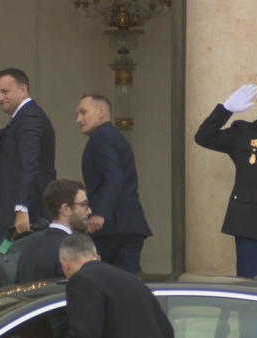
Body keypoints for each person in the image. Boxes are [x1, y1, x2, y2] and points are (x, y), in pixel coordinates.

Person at [195, 71, 257, 279]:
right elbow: (204, 137)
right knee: (251, 290)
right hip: (250, 227)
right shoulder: (243, 132)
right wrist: (225, 110)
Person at [0, 68, 57, 289]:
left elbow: (30, 164)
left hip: (26, 218)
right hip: (14, 216)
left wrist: (22, 208)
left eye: (5, 91)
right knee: (2, 273)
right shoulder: (20, 119)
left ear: (23, 89)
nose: (0, 98)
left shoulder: (30, 117)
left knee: (11, 278)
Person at [76, 94, 152, 274]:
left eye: (83, 112)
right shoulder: (113, 136)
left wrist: (101, 213)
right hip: (129, 225)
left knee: (99, 282)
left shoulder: (100, 137)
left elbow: (114, 175)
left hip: (110, 229)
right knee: (127, 287)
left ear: (101, 111)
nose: (78, 119)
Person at [60, 233, 174, 338]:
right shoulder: (135, 282)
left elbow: (84, 333)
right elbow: (167, 331)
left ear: (65, 265)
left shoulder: (82, 280)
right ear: (97, 257)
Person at [16, 179, 90, 284]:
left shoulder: (28, 248)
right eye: (83, 204)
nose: (89, 210)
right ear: (65, 209)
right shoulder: (73, 249)